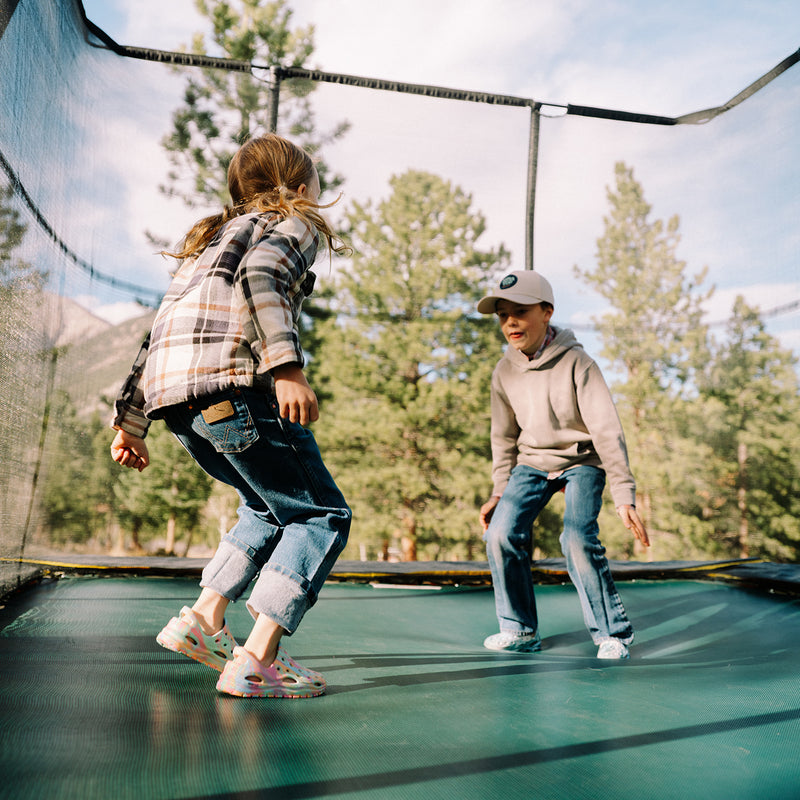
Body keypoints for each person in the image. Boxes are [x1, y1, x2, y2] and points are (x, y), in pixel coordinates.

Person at [110, 134, 352, 698]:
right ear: (298, 188)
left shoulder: (209, 242)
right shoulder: (292, 222)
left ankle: (204, 619)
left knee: (266, 508)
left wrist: (132, 419)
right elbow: (262, 277)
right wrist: (286, 366)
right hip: (236, 393)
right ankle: (257, 659)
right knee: (320, 515)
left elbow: (160, 330)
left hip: (177, 404)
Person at [477, 270, 649, 659]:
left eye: (521, 311)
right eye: (503, 315)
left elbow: (606, 430)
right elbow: (503, 438)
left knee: (576, 539)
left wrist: (624, 495)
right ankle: (520, 629)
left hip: (582, 460)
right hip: (532, 462)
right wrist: (499, 492)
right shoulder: (504, 371)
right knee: (500, 534)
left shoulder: (578, 363)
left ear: (547, 312)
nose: (511, 322)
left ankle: (613, 634)